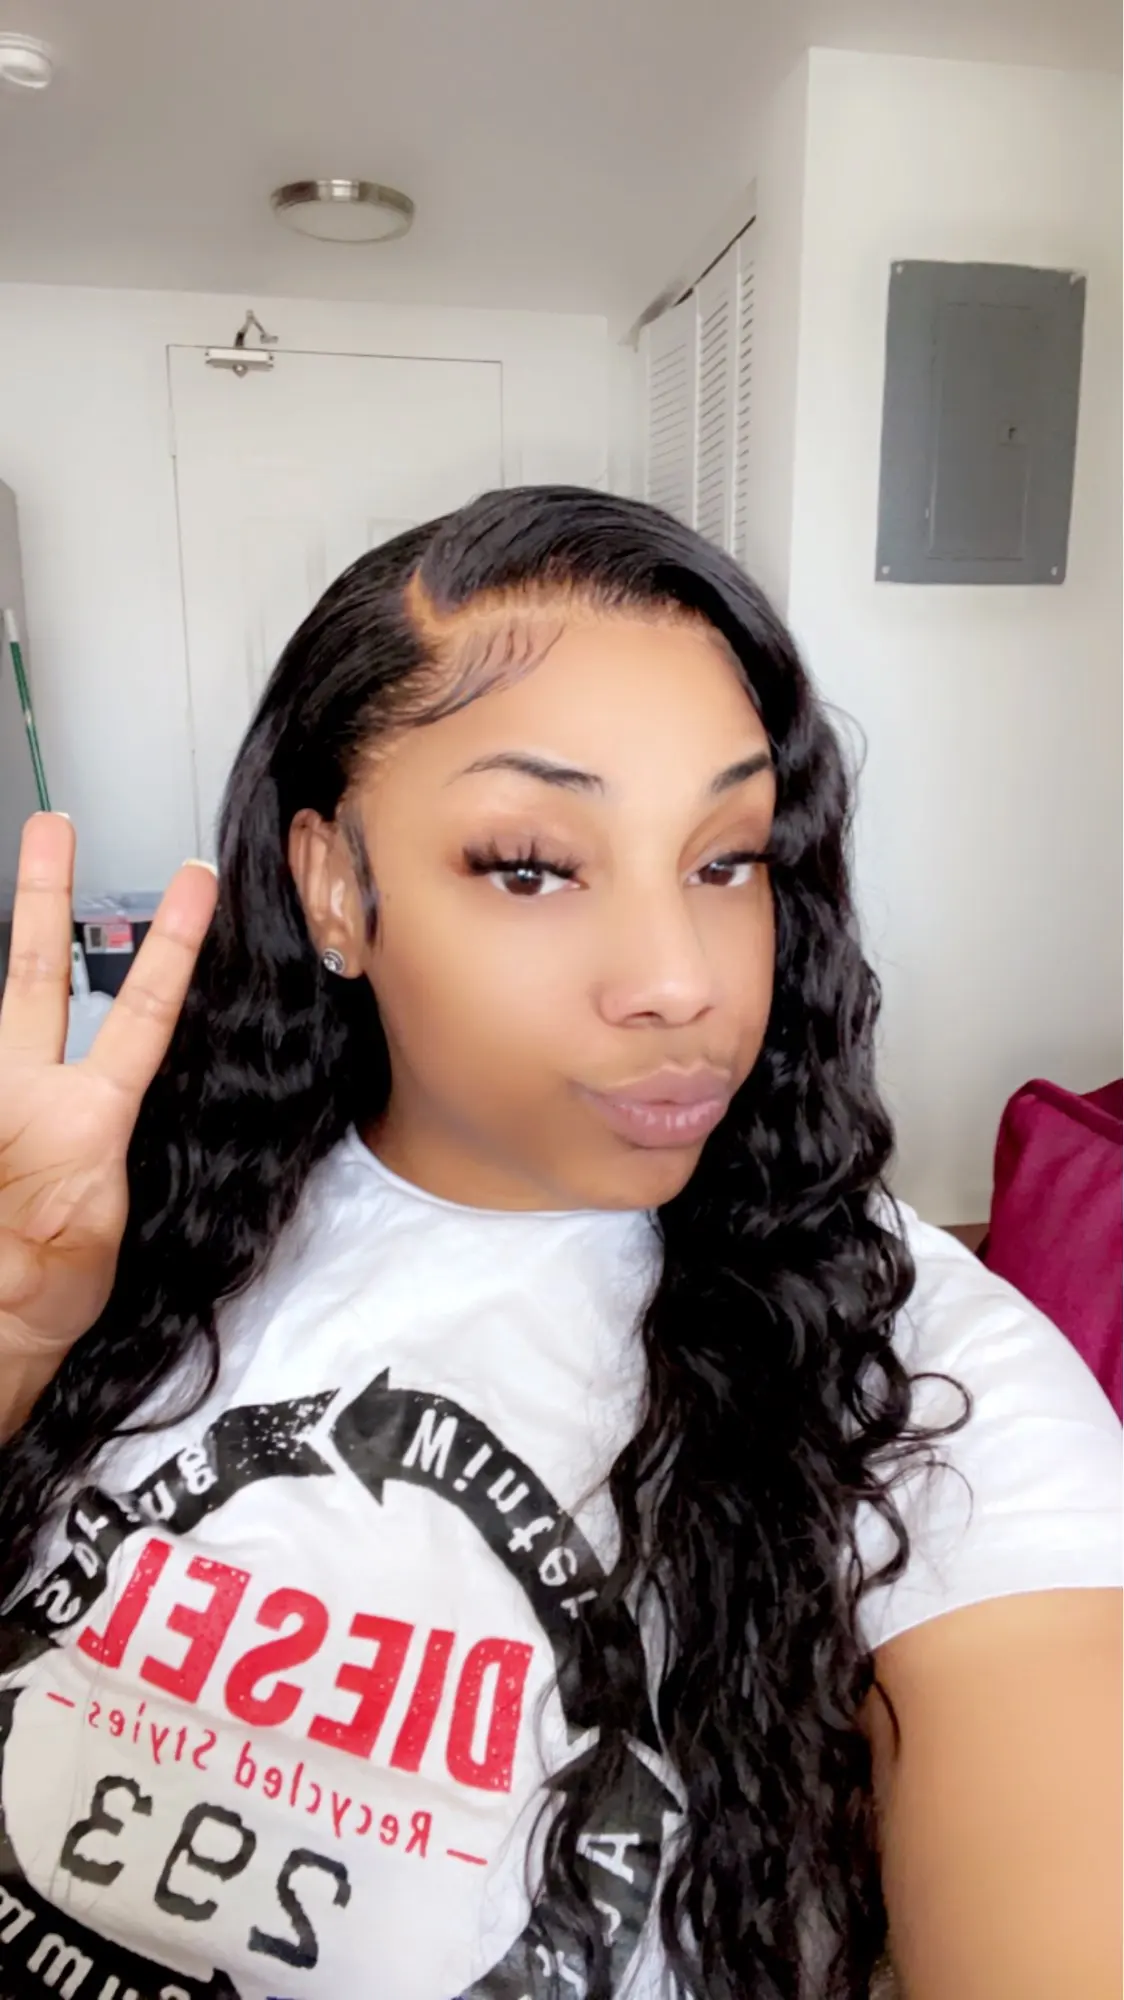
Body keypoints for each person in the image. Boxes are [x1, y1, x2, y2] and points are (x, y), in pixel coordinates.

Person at [0, 488, 1118, 2000]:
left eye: (727, 860)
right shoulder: (137, 1219)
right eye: (531, 864)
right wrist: (15, 1345)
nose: (680, 979)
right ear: (336, 888)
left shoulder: (922, 1368)